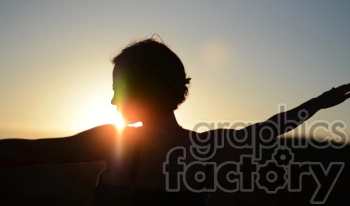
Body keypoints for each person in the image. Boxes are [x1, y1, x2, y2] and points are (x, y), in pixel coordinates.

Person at [0, 38, 349, 206]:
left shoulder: (113, 142)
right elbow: (271, 128)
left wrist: (318, 103)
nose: (113, 100)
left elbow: (25, 152)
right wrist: (319, 103)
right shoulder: (205, 147)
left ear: (145, 88)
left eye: (118, 88)